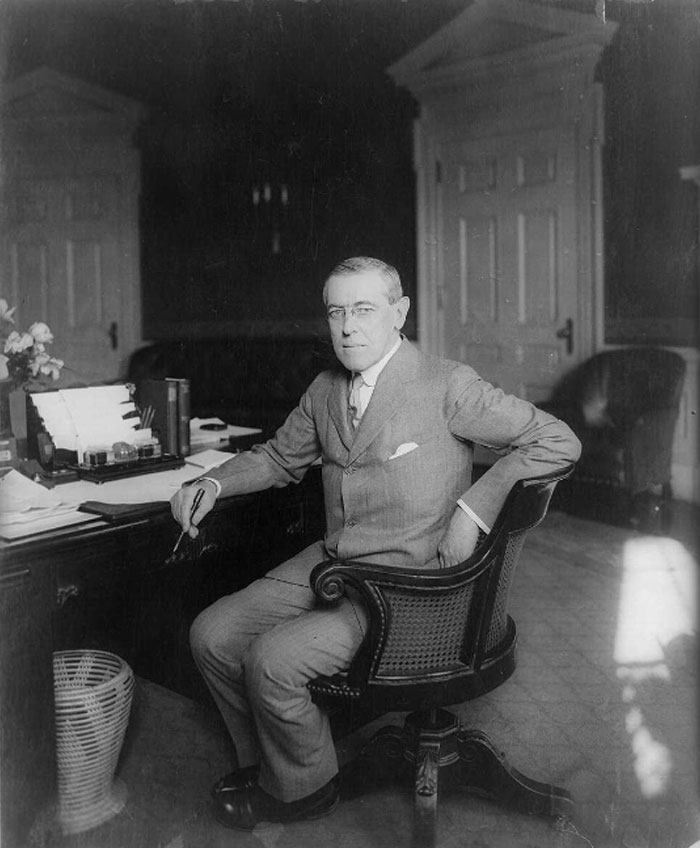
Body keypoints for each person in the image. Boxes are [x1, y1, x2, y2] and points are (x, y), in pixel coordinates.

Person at [170, 256, 581, 830]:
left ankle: (301, 791)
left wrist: (473, 509)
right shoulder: (324, 389)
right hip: (336, 561)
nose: (347, 327)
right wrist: (213, 481)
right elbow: (279, 457)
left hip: (412, 582)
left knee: (272, 661)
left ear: (399, 312)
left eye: (363, 310)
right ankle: (271, 764)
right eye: (336, 311)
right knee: (212, 635)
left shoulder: (446, 384)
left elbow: (556, 439)